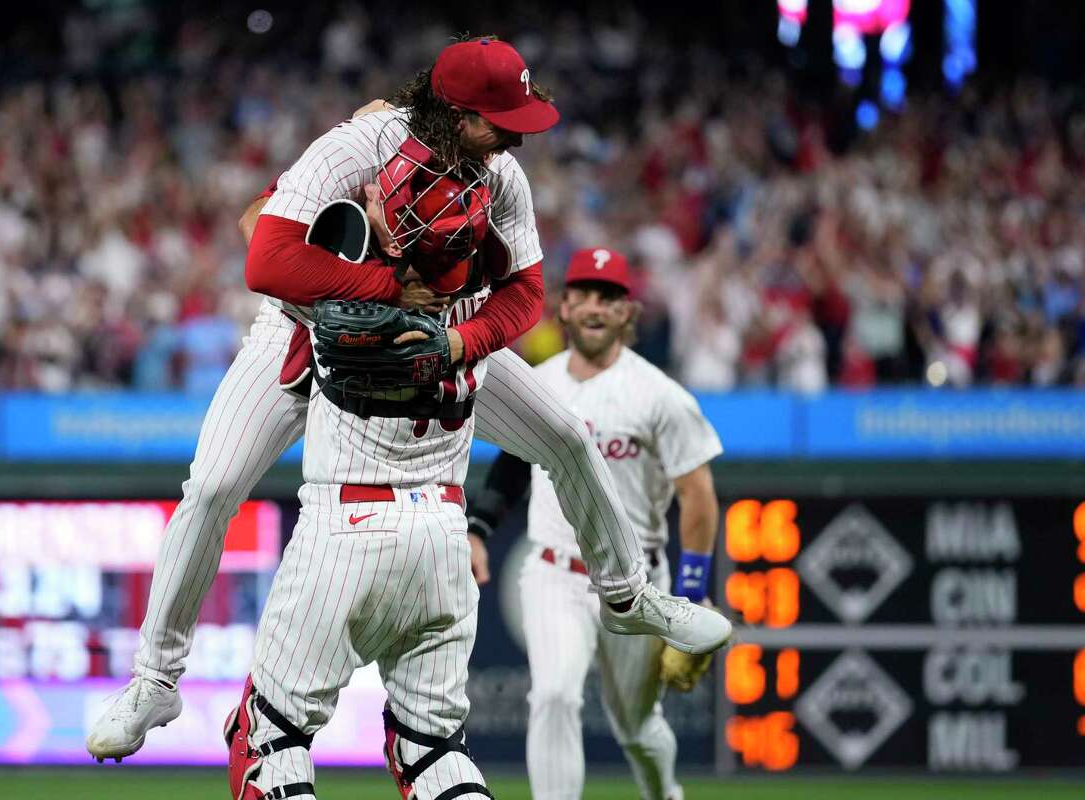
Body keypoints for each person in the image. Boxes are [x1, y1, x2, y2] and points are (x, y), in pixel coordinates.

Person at [87, 36, 730, 764]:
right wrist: (390, 289)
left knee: (569, 437)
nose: (515, 131)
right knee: (209, 488)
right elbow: (263, 253)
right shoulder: (359, 144)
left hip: (439, 335)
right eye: (499, 116)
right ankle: (155, 678)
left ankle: (626, 598)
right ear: (455, 114)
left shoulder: (502, 173)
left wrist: (462, 343)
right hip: (303, 335)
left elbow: (525, 296)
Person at [465, 248, 724, 800]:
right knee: (554, 695)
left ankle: (664, 793)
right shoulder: (539, 382)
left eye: (607, 297)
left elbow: (697, 495)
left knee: (636, 725)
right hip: (555, 573)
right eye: (582, 293)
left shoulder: (661, 396)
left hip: (637, 582)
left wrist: (694, 592)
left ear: (628, 312)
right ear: (563, 306)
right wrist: (479, 528)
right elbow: (513, 462)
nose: (593, 307)